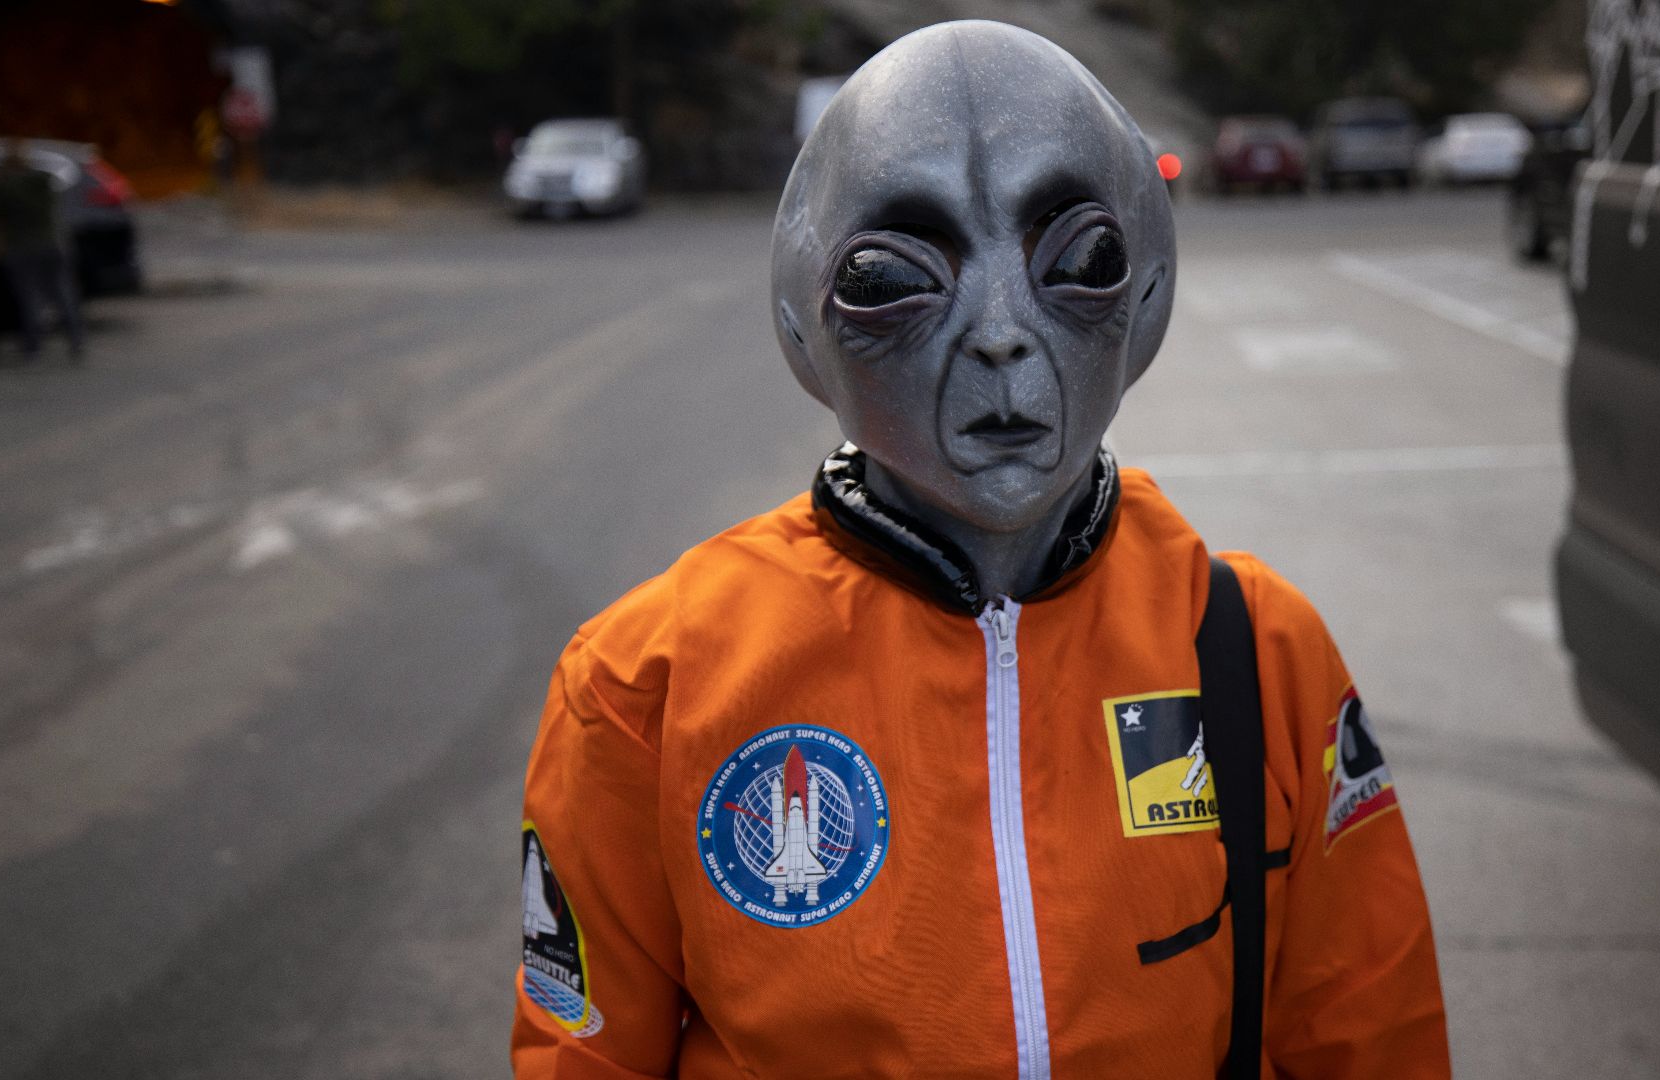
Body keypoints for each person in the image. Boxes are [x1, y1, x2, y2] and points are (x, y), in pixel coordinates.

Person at [514, 21, 1448, 1079]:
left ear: (1147, 299)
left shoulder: (1256, 656)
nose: (1002, 332)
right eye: (893, 279)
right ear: (800, 325)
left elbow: (1377, 1037)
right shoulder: (651, 685)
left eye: (1077, 264)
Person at [0, 139, 84, 361]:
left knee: (30, 297)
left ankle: (34, 346)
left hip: (22, 247)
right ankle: (76, 339)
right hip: (52, 244)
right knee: (62, 293)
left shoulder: (3, 186)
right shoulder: (42, 180)